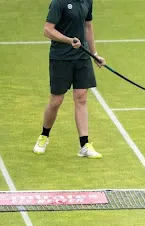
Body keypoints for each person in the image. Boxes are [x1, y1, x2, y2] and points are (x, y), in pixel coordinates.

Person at [33, 0, 105, 158]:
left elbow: (88, 27)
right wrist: (68, 40)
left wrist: (94, 54)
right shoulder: (59, 3)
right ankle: (44, 136)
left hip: (82, 56)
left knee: (81, 97)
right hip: (61, 57)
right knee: (56, 100)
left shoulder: (87, 1)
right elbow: (47, 30)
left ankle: (84, 145)